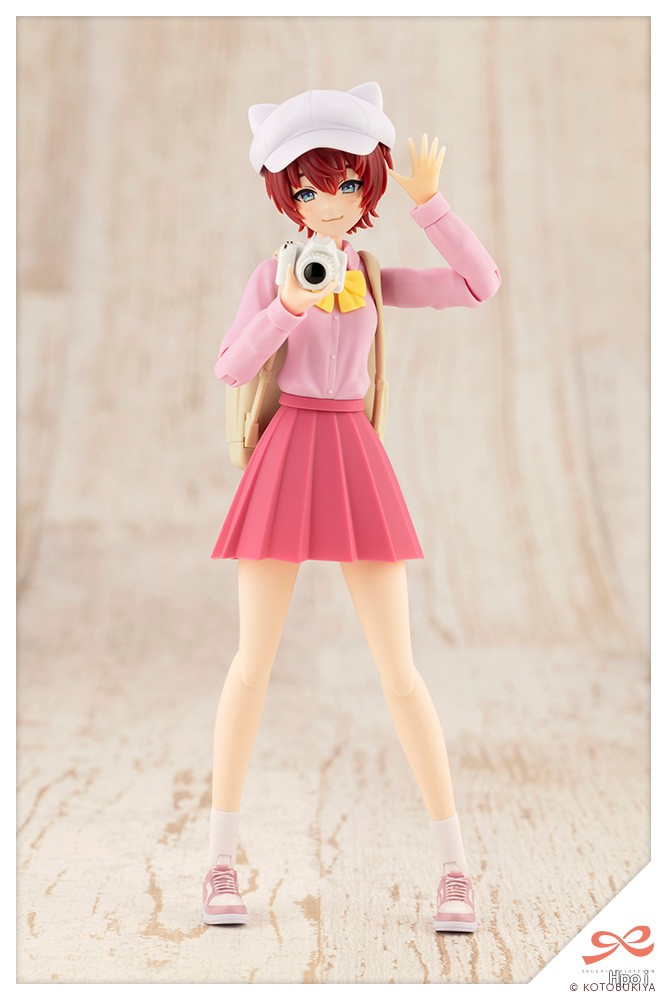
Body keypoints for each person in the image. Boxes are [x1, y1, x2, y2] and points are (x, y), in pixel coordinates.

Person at [203, 83, 501, 932]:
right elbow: (230, 366)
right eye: (306, 188)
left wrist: (431, 206)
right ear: (284, 194)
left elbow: (477, 285)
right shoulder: (271, 275)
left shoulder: (368, 273)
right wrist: (287, 305)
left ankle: (453, 867)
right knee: (251, 664)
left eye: (342, 183)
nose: (327, 203)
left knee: (398, 670)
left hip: (354, 457)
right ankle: (219, 859)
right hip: (286, 453)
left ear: (364, 185)